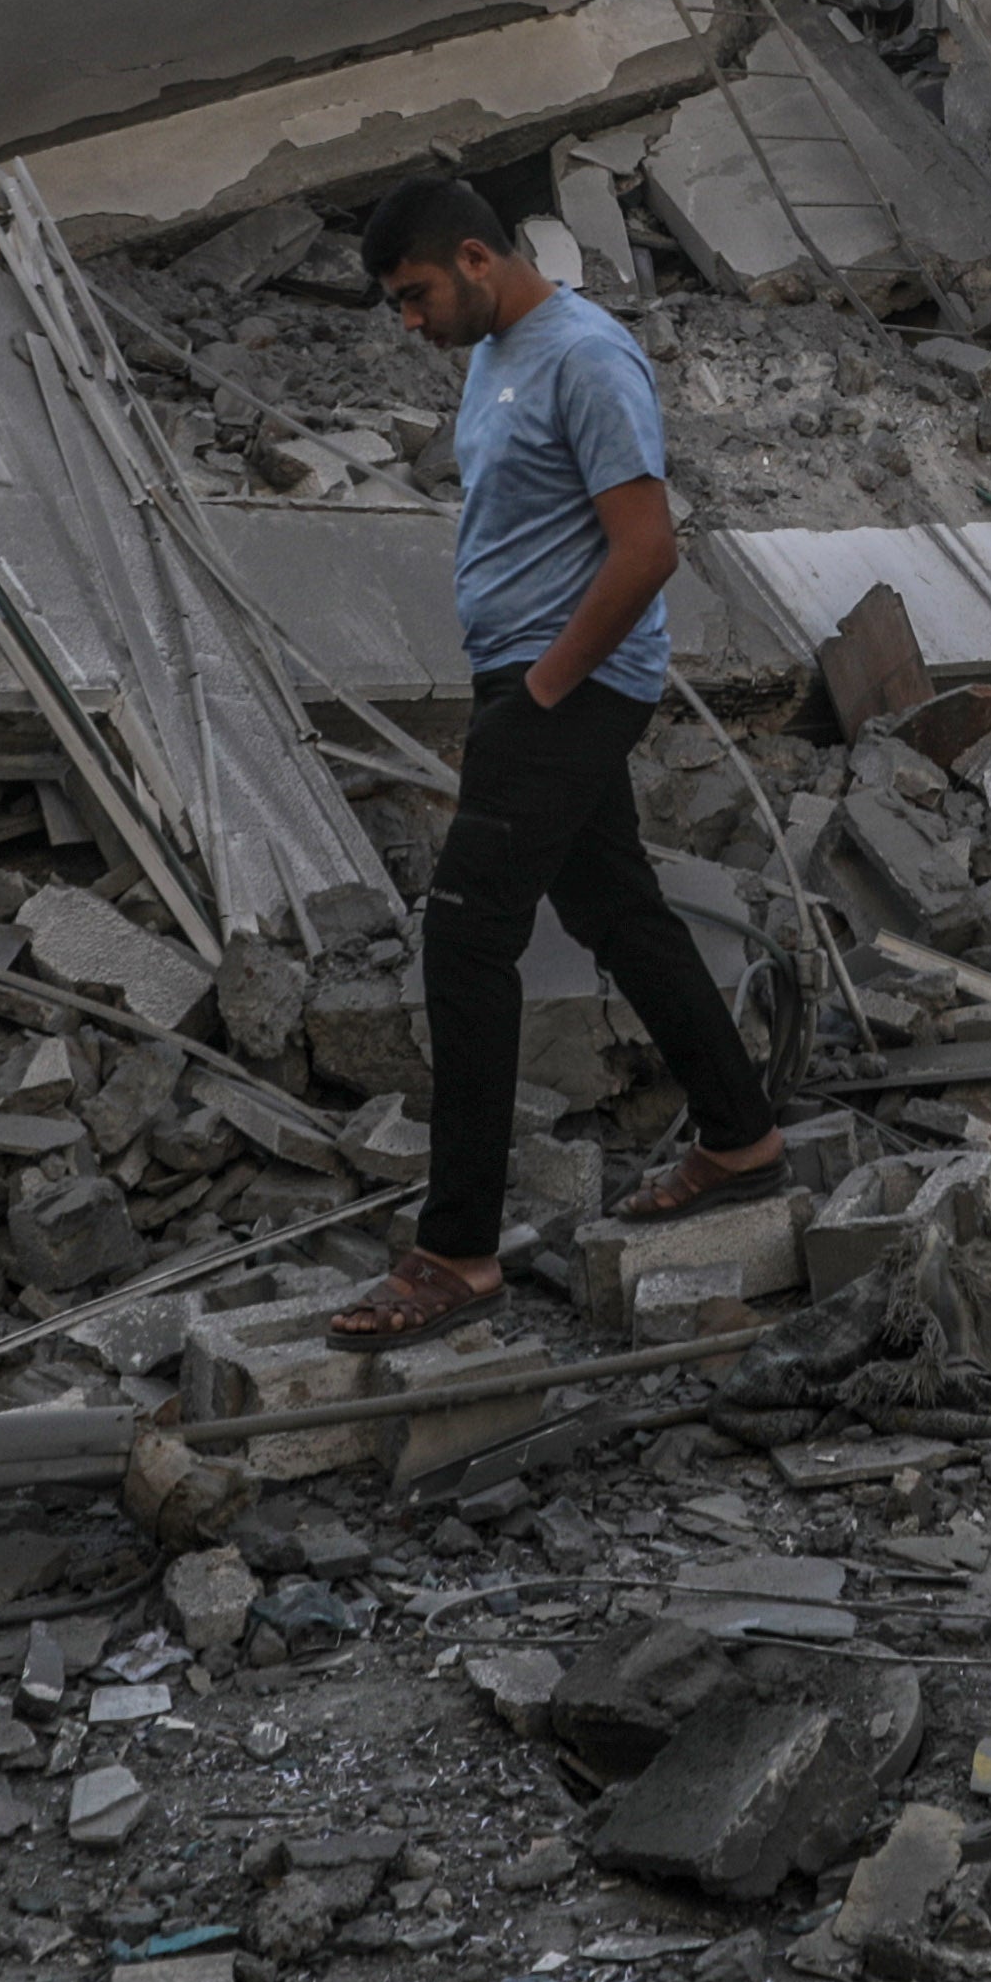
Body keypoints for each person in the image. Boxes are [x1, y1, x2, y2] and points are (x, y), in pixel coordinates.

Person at [327, 178, 793, 1348]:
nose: (409, 323)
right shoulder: (499, 351)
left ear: (477, 260)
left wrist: (539, 689)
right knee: (614, 908)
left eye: (416, 296)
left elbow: (646, 551)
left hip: (567, 685)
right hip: (530, 680)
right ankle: (741, 1137)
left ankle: (456, 1254)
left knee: (467, 933)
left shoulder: (587, 357)